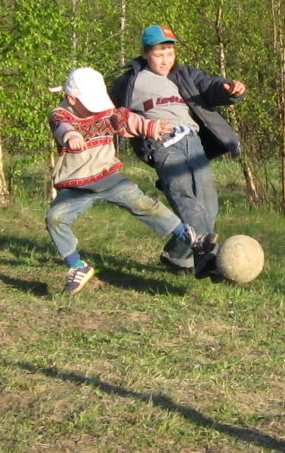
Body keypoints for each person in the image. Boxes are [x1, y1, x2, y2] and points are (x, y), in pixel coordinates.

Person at [46, 67, 209, 296]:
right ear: (71, 99)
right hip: (77, 185)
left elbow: (126, 119)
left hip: (108, 177)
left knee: (145, 206)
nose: (98, 108)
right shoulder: (61, 114)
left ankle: (191, 238)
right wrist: (71, 136)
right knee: (55, 219)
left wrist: (151, 127)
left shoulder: (104, 112)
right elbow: (61, 126)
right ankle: (78, 267)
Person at [110, 25, 246, 277]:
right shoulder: (129, 82)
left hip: (192, 143)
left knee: (209, 207)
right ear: (145, 53)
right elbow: (105, 109)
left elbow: (209, 84)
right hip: (161, 144)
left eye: (169, 53)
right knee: (185, 199)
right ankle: (207, 260)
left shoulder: (183, 75)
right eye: (159, 53)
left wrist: (229, 88)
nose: (165, 60)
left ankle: (177, 256)